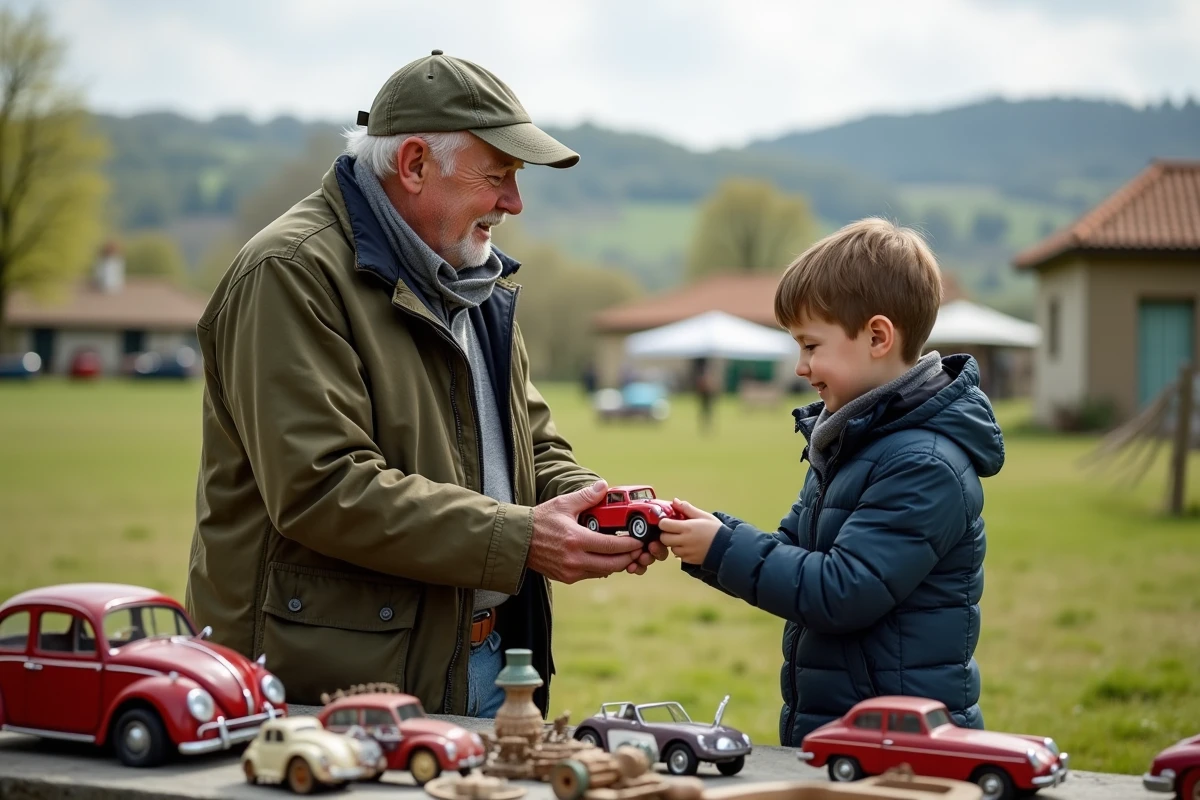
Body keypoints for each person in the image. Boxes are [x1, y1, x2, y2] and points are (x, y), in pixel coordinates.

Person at [185, 50, 666, 717]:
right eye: (498, 175)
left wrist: (593, 508)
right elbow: (323, 488)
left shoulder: (473, 279)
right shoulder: (289, 272)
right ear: (414, 165)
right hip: (336, 689)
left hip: (488, 664)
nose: (514, 202)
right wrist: (523, 539)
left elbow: (531, 447)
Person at [658, 218, 1004, 746]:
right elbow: (791, 551)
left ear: (877, 337)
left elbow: (842, 590)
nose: (801, 367)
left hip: (901, 745)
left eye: (811, 345)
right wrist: (709, 537)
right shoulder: (851, 442)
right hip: (845, 731)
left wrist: (723, 547)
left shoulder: (924, 464)